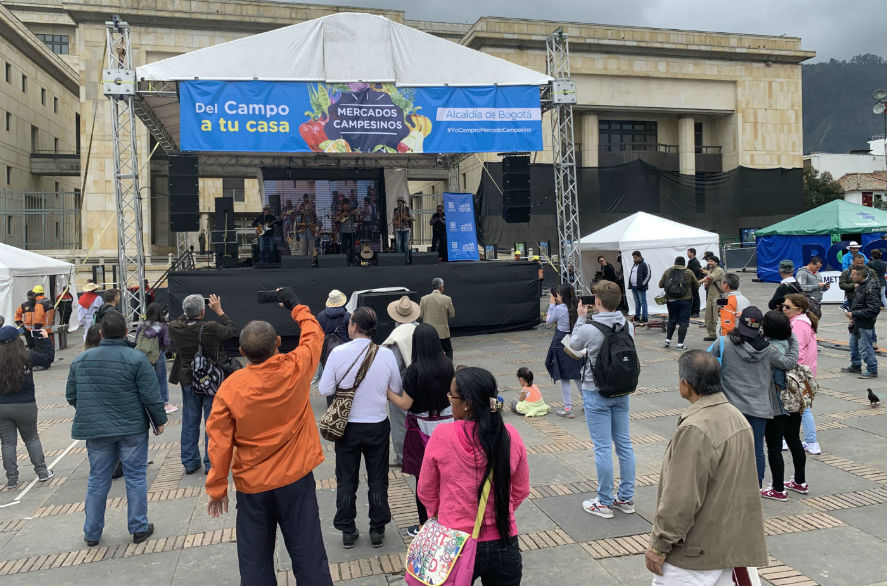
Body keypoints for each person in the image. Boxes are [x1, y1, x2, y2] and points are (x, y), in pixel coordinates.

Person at [205, 288, 333, 586]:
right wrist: (295, 305)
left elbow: (218, 441)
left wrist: (217, 487)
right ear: (278, 343)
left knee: (255, 563)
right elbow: (314, 334)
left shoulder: (231, 388)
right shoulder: (297, 367)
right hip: (295, 481)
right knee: (309, 555)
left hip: (253, 487)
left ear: (242, 352)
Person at [645, 350, 766, 584]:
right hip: (728, 544)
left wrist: (659, 546)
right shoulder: (736, 417)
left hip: (695, 554)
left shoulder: (696, 428)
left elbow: (681, 498)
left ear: (686, 384)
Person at [417, 367, 529, 586]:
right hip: (505, 542)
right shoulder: (510, 435)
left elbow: (426, 491)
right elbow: (521, 489)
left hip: (454, 543)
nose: (448, 400)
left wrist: (442, 515)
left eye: (451, 395)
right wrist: (500, 510)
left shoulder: (442, 435)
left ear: (467, 403)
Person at [66, 311, 167, 547]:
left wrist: (90, 409)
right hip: (132, 427)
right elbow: (151, 395)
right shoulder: (136, 358)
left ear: (100, 333)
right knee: (135, 477)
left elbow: (72, 396)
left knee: (98, 479)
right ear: (125, 333)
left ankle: (92, 532)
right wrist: (159, 421)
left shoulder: (81, 360)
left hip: (97, 431)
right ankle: (138, 527)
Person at [318, 307, 402, 549]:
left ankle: (347, 528)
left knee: (346, 478)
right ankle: (377, 529)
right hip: (376, 424)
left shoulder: (337, 352)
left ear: (353, 326)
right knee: (378, 478)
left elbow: (324, 389)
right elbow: (395, 388)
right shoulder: (385, 354)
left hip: (346, 427)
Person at [569, 281, 637, 518]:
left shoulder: (589, 327)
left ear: (597, 301)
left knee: (602, 447)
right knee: (624, 445)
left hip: (595, 390)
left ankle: (604, 501)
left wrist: (579, 318)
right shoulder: (628, 325)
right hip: (622, 389)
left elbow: (574, 346)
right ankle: (626, 498)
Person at [709, 306, 798, 487]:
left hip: (730, 407)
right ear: (759, 328)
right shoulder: (769, 350)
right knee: (757, 449)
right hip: (759, 409)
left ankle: (729, 485)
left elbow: (705, 361)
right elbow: (789, 362)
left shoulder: (723, 343)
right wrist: (792, 337)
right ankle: (754, 486)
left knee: (728, 447)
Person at [385, 323, 454, 536]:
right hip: (446, 426)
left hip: (420, 430)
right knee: (446, 477)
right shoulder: (447, 364)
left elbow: (405, 404)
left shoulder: (415, 370)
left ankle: (424, 525)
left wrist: (387, 392)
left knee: (423, 479)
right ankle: (447, 520)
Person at [168, 293, 237, 475]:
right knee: (212, 421)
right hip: (210, 379)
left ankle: (190, 462)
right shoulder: (211, 327)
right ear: (203, 311)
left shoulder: (175, 327)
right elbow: (231, 330)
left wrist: (189, 311)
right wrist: (219, 310)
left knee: (190, 420)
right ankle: (210, 463)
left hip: (188, 379)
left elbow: (181, 318)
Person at [760, 310, 808, 502]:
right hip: (794, 400)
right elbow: (793, 355)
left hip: (778, 403)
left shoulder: (770, 349)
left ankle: (778, 489)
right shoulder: (791, 340)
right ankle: (800, 481)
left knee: (774, 447)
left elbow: (784, 362)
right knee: (794, 439)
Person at [0, 326, 54, 488]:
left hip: (2, 406)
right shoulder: (27, 356)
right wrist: (44, 340)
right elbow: (47, 358)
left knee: (8, 443)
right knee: (31, 438)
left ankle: (11, 478)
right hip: (26, 404)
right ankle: (42, 472)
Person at [382, 295, 421, 466]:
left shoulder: (396, 336)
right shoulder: (421, 329)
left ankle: (403, 456)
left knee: (399, 422)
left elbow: (394, 366)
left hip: (402, 385)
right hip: (423, 381)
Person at [782, 294, 821, 455]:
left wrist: (790, 369)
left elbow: (797, 352)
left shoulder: (798, 324)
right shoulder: (802, 321)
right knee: (800, 407)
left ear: (799, 309)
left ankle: (809, 441)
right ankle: (810, 441)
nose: (783, 309)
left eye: (787, 307)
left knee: (795, 407)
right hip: (805, 371)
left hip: (798, 373)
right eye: (783, 305)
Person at [545, 283, 583, 418]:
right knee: (578, 373)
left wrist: (551, 304)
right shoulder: (577, 306)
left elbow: (548, 321)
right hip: (575, 339)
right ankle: (588, 403)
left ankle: (568, 408)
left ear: (561, 296)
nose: (557, 296)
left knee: (564, 375)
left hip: (561, 340)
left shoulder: (560, 308)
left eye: (558, 294)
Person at [135, 303, 176, 414]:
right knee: (161, 379)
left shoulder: (142, 326)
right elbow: (167, 342)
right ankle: (164, 403)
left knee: (144, 379)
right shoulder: (163, 327)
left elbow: (136, 341)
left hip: (143, 355)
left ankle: (145, 402)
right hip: (158, 355)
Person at [841, 265, 880, 379]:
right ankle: (856, 365)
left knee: (865, 347)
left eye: (853, 275)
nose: (851, 277)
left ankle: (872, 369)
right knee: (853, 345)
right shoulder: (860, 286)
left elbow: (873, 309)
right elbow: (858, 303)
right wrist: (852, 314)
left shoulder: (870, 287)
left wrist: (854, 314)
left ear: (860, 276)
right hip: (856, 321)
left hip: (865, 322)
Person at [316, 290, 352, 392]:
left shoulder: (321, 315)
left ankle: (331, 402)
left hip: (326, 350)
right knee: (345, 377)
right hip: (345, 349)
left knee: (329, 377)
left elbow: (319, 334)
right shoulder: (347, 316)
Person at [659, 257, 698, 350]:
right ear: (684, 263)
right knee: (684, 322)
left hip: (671, 300)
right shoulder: (688, 272)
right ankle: (680, 344)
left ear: (675, 262)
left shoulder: (668, 271)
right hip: (685, 300)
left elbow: (660, 284)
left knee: (672, 319)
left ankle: (667, 341)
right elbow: (696, 284)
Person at [419, 277, 456, 359]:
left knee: (429, 353)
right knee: (448, 351)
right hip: (443, 332)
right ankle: (448, 368)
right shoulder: (447, 299)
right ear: (441, 287)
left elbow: (420, 315)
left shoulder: (424, 299)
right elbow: (452, 314)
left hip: (428, 332)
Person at [700, 255, 725, 341]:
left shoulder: (719, 270)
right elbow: (707, 282)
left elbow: (709, 278)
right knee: (708, 316)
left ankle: (719, 334)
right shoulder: (711, 270)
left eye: (712, 261)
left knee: (716, 316)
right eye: (709, 261)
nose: (710, 263)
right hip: (710, 295)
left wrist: (698, 282)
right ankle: (712, 334)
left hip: (717, 296)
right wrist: (706, 282)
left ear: (716, 262)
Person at [628, 251, 651, 323]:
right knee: (637, 302)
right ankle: (637, 316)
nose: (634, 259)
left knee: (643, 302)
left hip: (640, 287)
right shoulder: (635, 265)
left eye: (635, 257)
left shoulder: (645, 264)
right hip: (634, 286)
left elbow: (648, 275)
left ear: (640, 257)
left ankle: (645, 317)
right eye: (633, 258)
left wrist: (642, 284)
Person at [392, 196, 413, 263]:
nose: (398, 203)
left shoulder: (407, 209)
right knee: (398, 245)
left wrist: (405, 217)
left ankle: (406, 259)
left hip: (406, 229)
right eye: (398, 202)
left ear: (403, 202)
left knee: (406, 245)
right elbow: (393, 220)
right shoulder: (395, 210)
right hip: (398, 229)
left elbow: (412, 218)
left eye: (400, 202)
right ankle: (399, 259)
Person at [336, 199, 357, 265]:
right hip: (344, 231)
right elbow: (337, 220)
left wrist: (356, 214)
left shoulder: (352, 212)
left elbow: (357, 220)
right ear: (343, 206)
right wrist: (346, 214)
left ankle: (352, 260)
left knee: (352, 247)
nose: (347, 206)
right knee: (344, 247)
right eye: (345, 204)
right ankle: (343, 260)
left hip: (352, 231)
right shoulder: (340, 213)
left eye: (348, 204)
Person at [686, 248, 704, 317]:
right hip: (691, 282)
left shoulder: (695, 262)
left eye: (688, 252)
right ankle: (692, 311)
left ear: (692, 253)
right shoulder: (691, 261)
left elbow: (694, 273)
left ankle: (696, 312)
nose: (687, 254)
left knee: (696, 297)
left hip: (694, 282)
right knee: (692, 297)